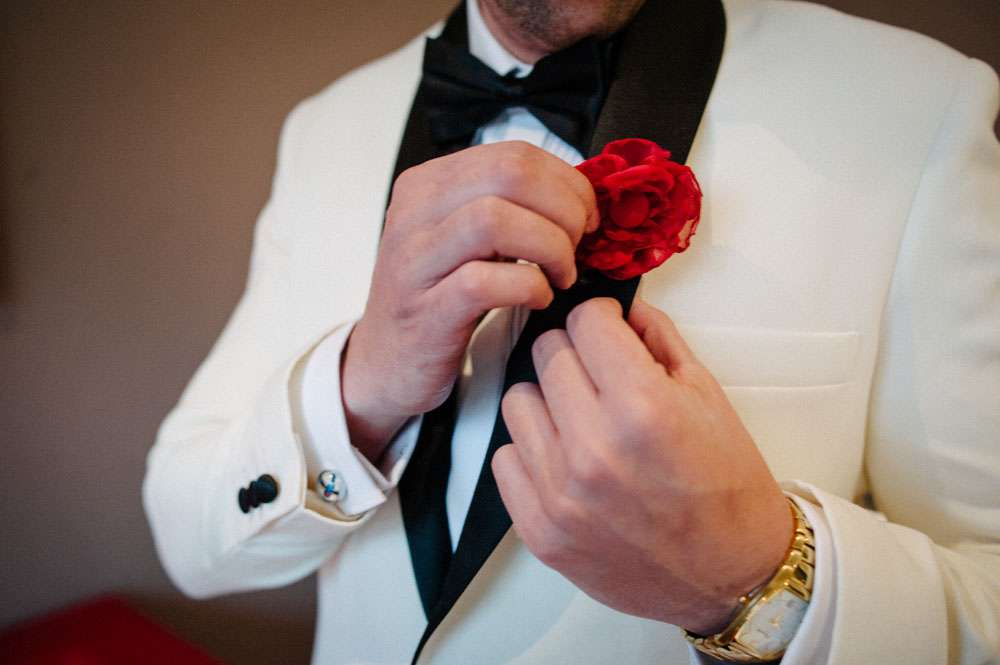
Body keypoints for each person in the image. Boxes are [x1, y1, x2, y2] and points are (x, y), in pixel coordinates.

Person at [142, 0, 1000, 662]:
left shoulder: (913, 108)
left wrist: (756, 578)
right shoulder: (325, 127)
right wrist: (359, 390)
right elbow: (192, 544)